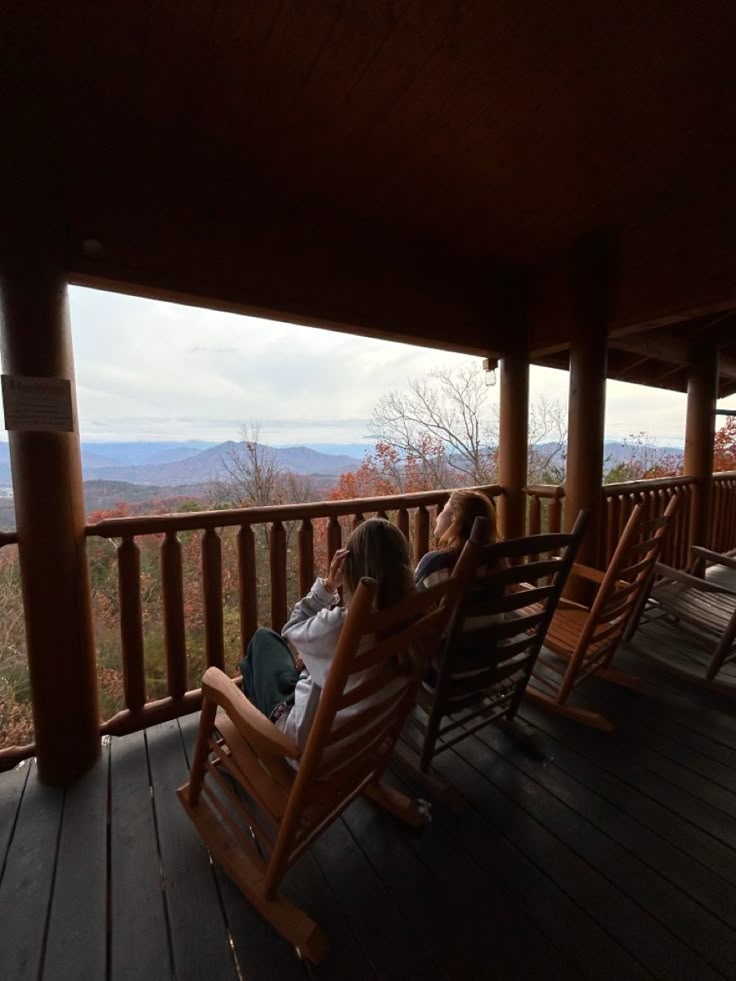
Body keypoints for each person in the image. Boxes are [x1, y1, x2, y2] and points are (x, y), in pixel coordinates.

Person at [239, 517, 414, 750]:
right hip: (366, 734)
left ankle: (247, 721)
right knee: (274, 662)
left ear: (352, 568)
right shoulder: (416, 612)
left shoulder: (341, 626)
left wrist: (329, 585)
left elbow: (291, 630)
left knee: (262, 640)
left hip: (306, 745)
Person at [414, 489, 499, 591]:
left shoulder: (435, 563)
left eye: (444, 510)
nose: (437, 517)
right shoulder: (495, 561)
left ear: (455, 517)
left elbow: (413, 603)